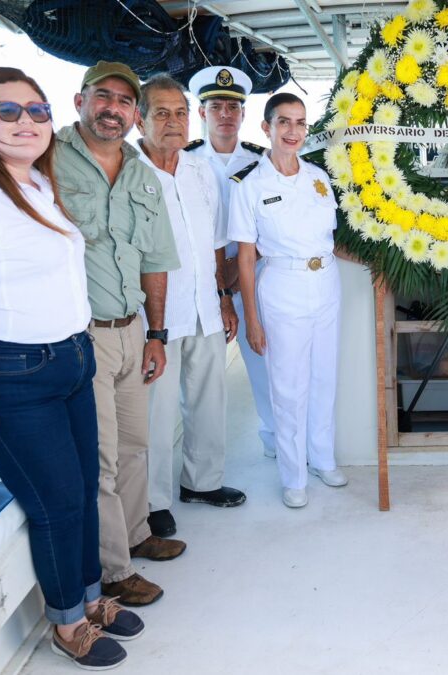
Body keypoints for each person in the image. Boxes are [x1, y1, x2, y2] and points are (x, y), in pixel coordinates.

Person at [0, 67, 142, 669]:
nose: (26, 123)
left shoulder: (36, 183)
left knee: (85, 486)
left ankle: (91, 597)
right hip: (12, 380)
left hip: (68, 360)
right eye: (6, 112)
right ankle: (68, 623)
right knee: (57, 502)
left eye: (36, 112)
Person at [54, 61, 185, 606]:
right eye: (102, 97)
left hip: (132, 329)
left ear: (135, 114)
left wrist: (156, 332)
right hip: (82, 335)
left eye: (123, 102)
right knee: (104, 455)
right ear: (80, 99)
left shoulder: (140, 172)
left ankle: (136, 535)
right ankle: (112, 569)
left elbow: (155, 259)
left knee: (136, 446)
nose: (112, 108)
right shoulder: (48, 158)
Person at [135, 74, 246, 539]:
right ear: (139, 119)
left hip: (203, 303)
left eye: (180, 112)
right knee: (157, 413)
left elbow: (217, 242)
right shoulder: (128, 170)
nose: (173, 122)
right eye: (161, 113)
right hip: (152, 316)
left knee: (208, 397)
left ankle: (202, 482)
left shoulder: (199, 170)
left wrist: (224, 298)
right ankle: (153, 501)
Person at [227, 93, 348, 509]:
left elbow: (330, 238)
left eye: (299, 122)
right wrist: (252, 321)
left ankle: (322, 458)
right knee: (288, 385)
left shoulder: (317, 177)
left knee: (324, 377)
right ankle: (293, 475)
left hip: (326, 282)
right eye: (283, 122)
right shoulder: (250, 185)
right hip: (281, 284)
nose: (292, 131)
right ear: (266, 128)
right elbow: (245, 258)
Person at [185, 65, 277, 460]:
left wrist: (241, 274)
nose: (225, 113)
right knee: (197, 376)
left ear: (243, 115)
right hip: (199, 282)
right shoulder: (183, 160)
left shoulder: (262, 161)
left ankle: (276, 438)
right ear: (202, 113)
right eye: (216, 105)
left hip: (250, 278)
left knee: (264, 363)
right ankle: (200, 461)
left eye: (233, 107)